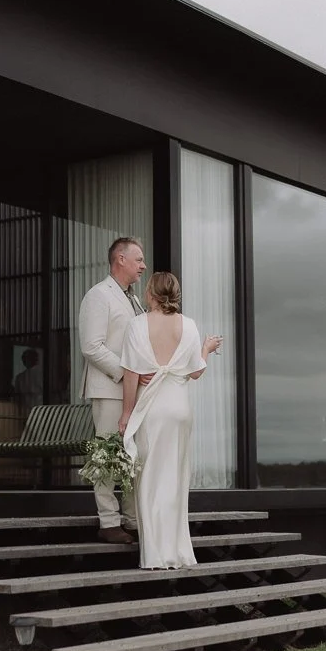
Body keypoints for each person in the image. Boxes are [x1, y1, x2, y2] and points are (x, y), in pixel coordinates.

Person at [119, 272, 222, 569]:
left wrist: (126, 413)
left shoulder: (138, 325)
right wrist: (205, 349)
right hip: (180, 409)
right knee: (176, 481)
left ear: (151, 293)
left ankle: (155, 554)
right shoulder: (188, 325)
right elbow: (195, 372)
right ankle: (178, 552)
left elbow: (131, 374)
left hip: (153, 408)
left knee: (150, 479)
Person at [78, 236, 152, 544]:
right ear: (119, 259)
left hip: (135, 393)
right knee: (106, 455)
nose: (143, 266)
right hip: (109, 389)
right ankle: (108, 522)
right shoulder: (98, 295)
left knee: (134, 456)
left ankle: (132, 519)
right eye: (138, 260)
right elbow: (90, 346)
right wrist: (128, 374)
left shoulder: (134, 299)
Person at [12, 348, 43, 412]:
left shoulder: (19, 377)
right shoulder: (42, 374)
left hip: (26, 410)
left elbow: (17, 396)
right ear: (36, 359)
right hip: (41, 408)